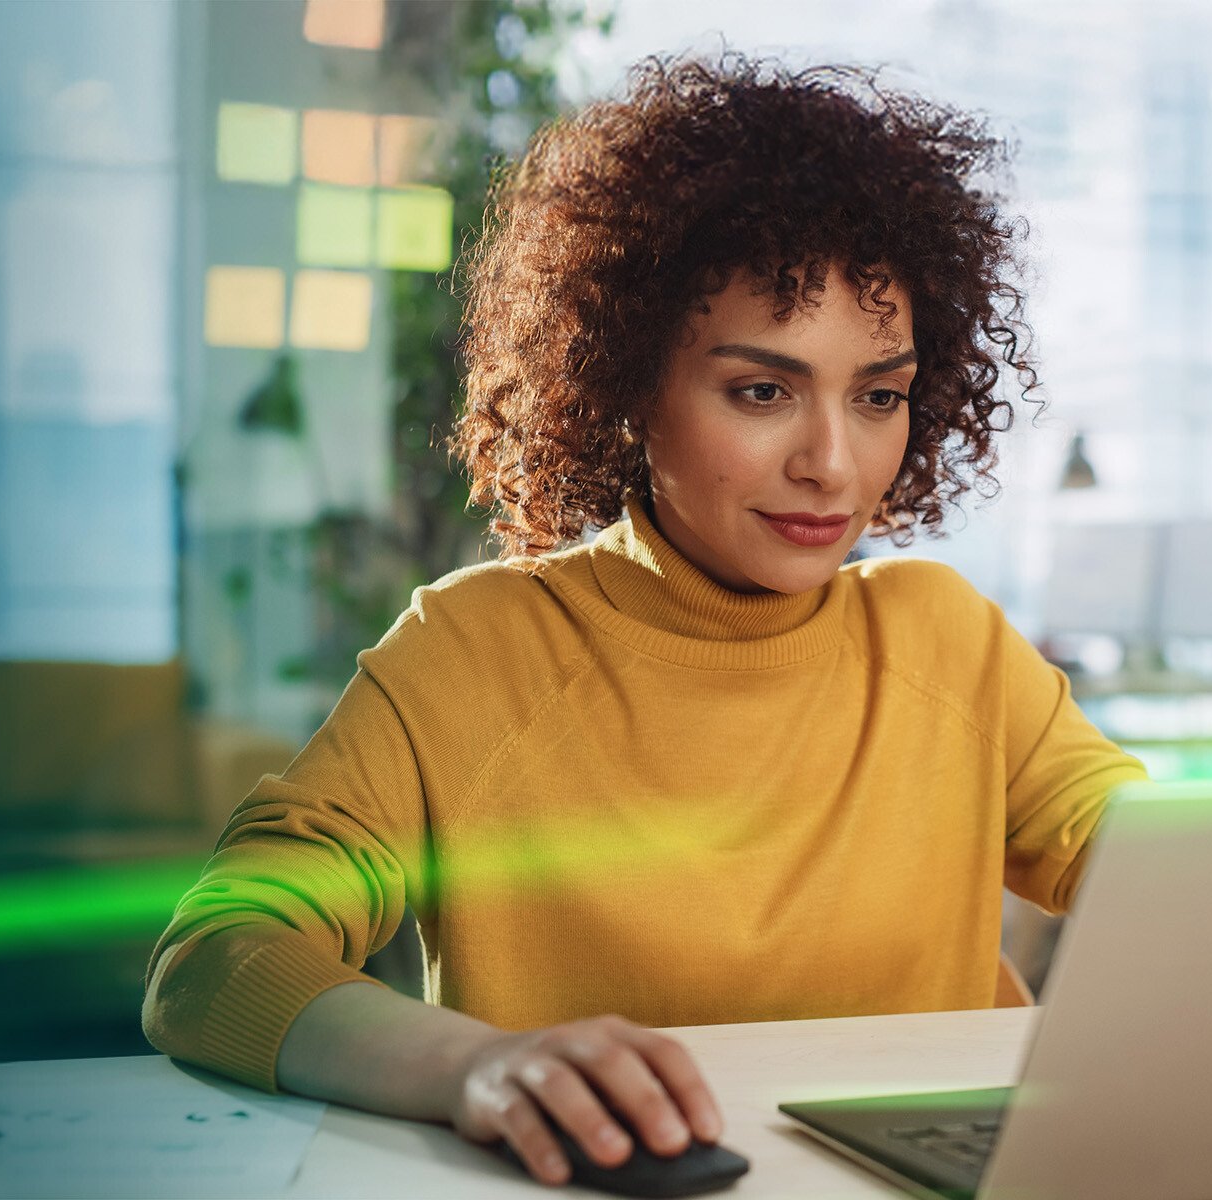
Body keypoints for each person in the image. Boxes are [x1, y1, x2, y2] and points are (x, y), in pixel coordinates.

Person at [142, 55, 1145, 1187]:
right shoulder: (475, 651)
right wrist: (474, 1067)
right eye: (761, 392)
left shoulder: (949, 643)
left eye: (878, 396)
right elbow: (218, 957)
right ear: (625, 383)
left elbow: (1172, 878)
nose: (832, 463)